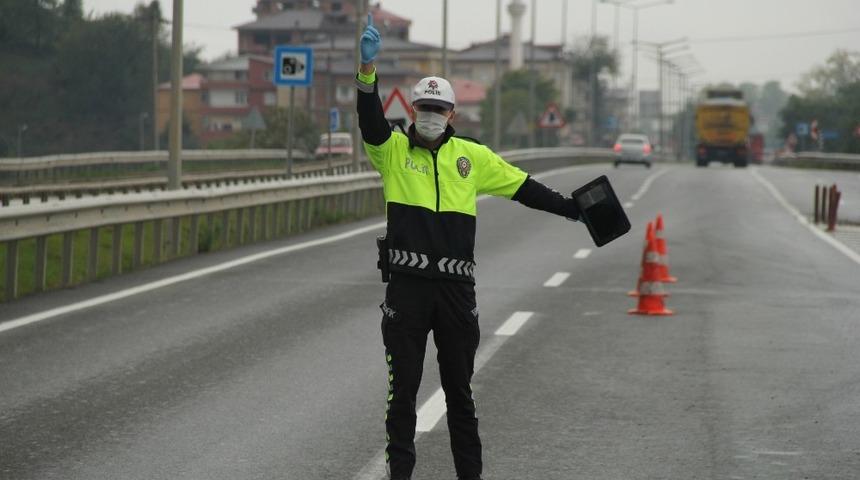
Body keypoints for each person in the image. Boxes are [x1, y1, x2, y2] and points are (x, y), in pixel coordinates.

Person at [356, 14, 582, 480]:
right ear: (413, 110)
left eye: (439, 109)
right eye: (424, 108)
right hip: (408, 291)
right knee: (403, 395)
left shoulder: (472, 157)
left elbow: (524, 188)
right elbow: (370, 120)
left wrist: (572, 209)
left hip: (456, 295)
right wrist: (366, 72)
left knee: (460, 395)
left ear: (453, 115)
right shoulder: (393, 151)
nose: (431, 116)